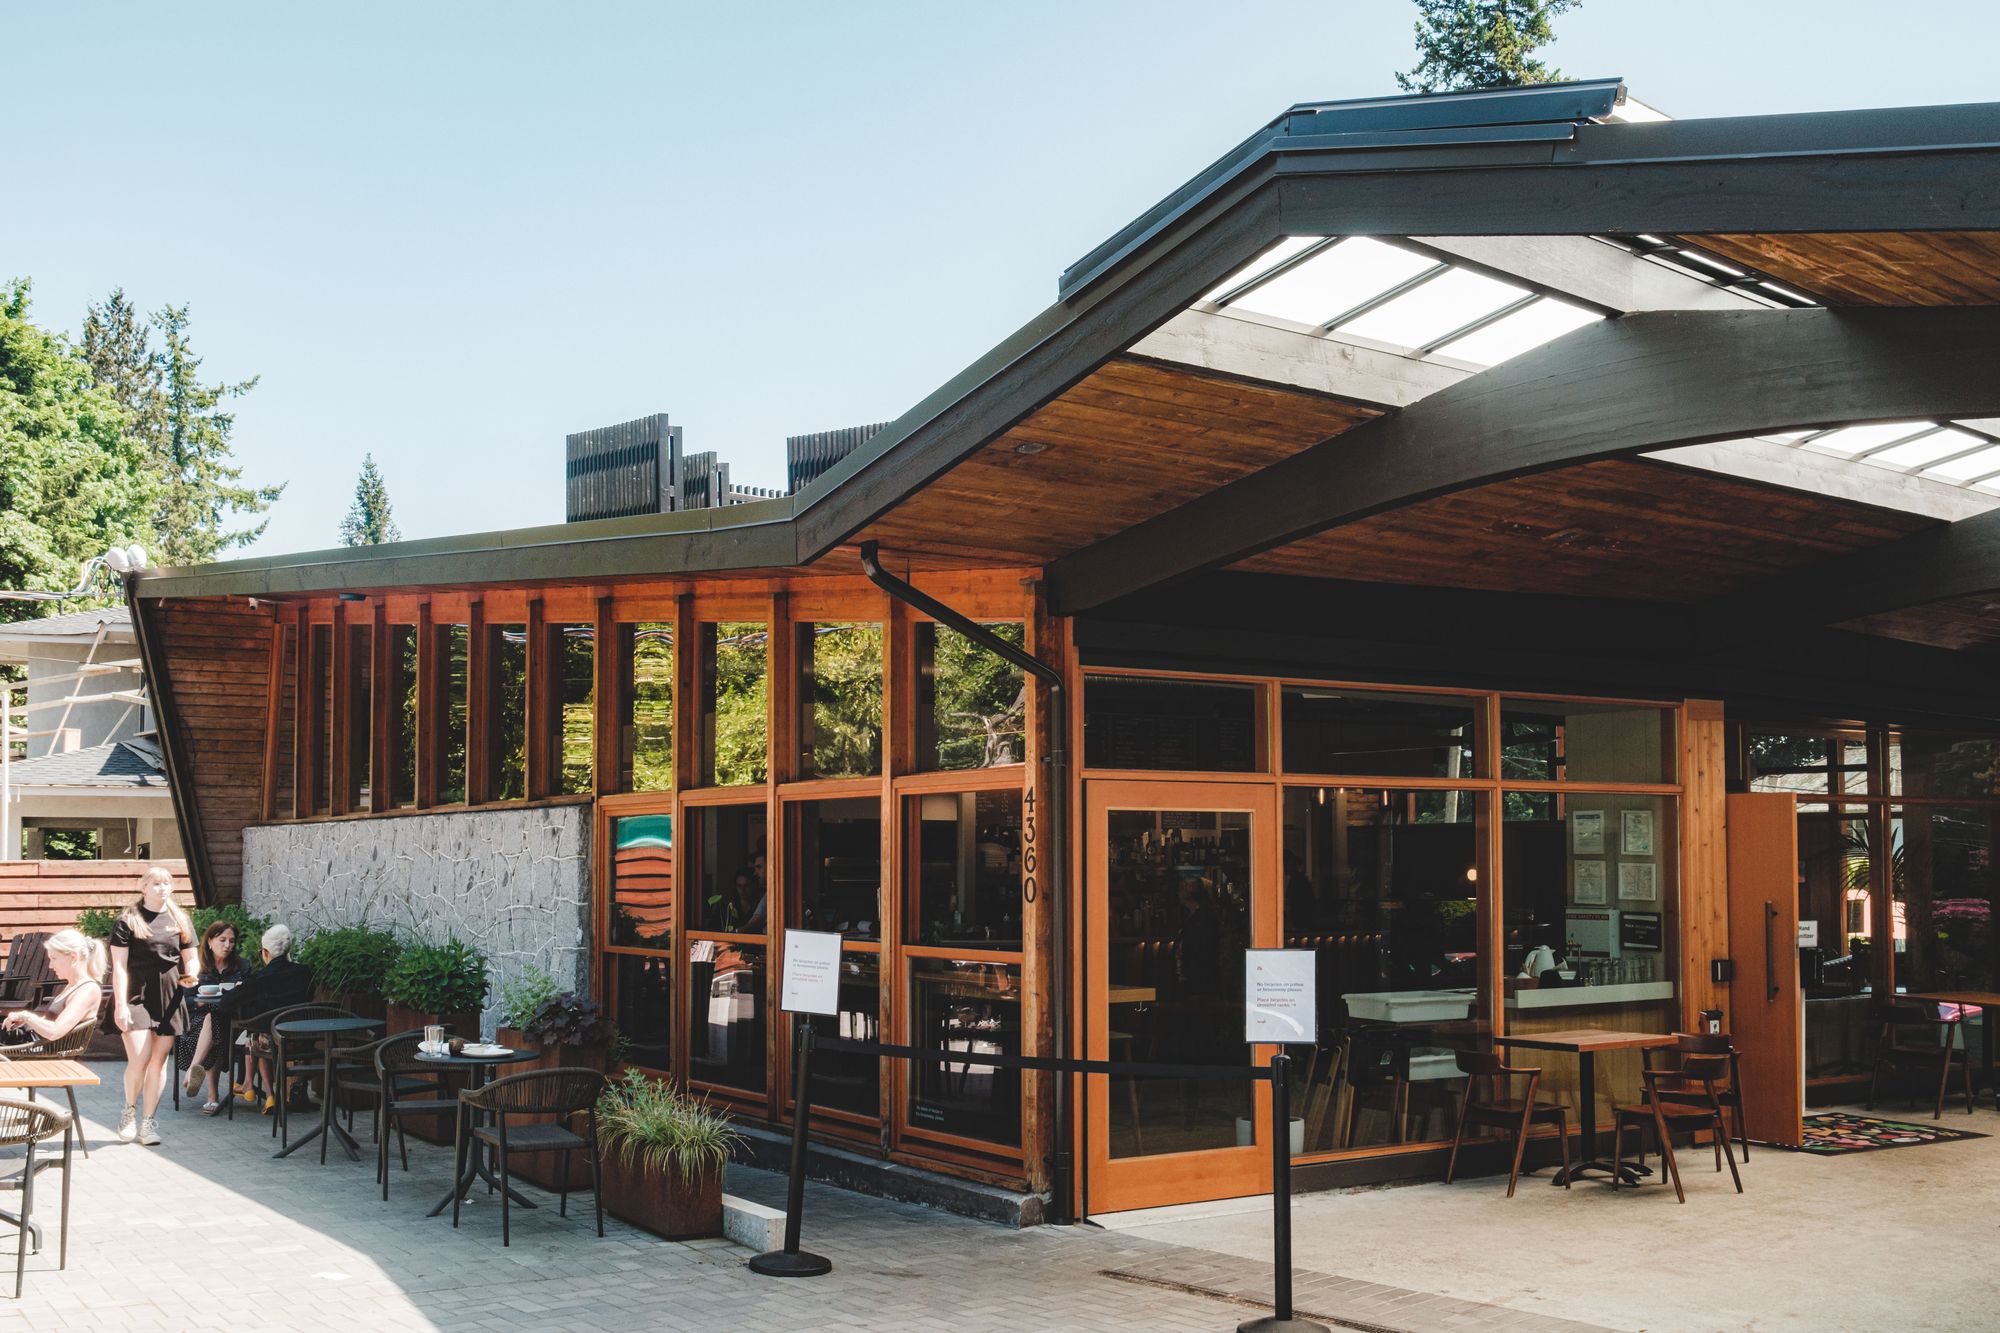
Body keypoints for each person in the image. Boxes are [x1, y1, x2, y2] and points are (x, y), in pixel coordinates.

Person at [107, 865, 198, 1146]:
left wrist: (192, 974)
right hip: (135, 994)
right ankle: (129, 1111)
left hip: (169, 994)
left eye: (166, 883)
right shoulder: (128, 921)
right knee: (140, 1058)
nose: (162, 888)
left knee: (158, 1062)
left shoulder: (180, 919)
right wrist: (120, 1004)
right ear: (143, 887)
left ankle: (148, 1122)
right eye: (156, 883)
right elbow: (119, 967)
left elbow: (192, 957)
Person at [207, 924, 314, 1114]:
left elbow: (225, 1003)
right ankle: (254, 1087)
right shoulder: (305, 972)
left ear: (265, 952)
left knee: (254, 1034)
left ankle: (252, 1086)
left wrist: (240, 990)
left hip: (273, 1043)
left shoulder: (260, 978)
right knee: (257, 1032)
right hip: (303, 1041)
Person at [180, 921, 249, 1114]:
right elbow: (183, 1000)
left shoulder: (242, 966)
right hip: (197, 1022)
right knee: (213, 1020)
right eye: (222, 940)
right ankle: (211, 1095)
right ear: (210, 941)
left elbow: (250, 994)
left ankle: (195, 1070)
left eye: (231, 941)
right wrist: (201, 1002)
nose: (227, 945)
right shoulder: (195, 966)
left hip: (233, 1021)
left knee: (216, 1021)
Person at [0, 929, 106, 1046]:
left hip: (41, 1050)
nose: (50, 966)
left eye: (54, 958)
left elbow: (54, 1032)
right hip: (34, 1045)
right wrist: (26, 1021)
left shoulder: (87, 990)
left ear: (73, 957)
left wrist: (25, 1016)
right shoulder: (73, 986)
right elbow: (51, 1021)